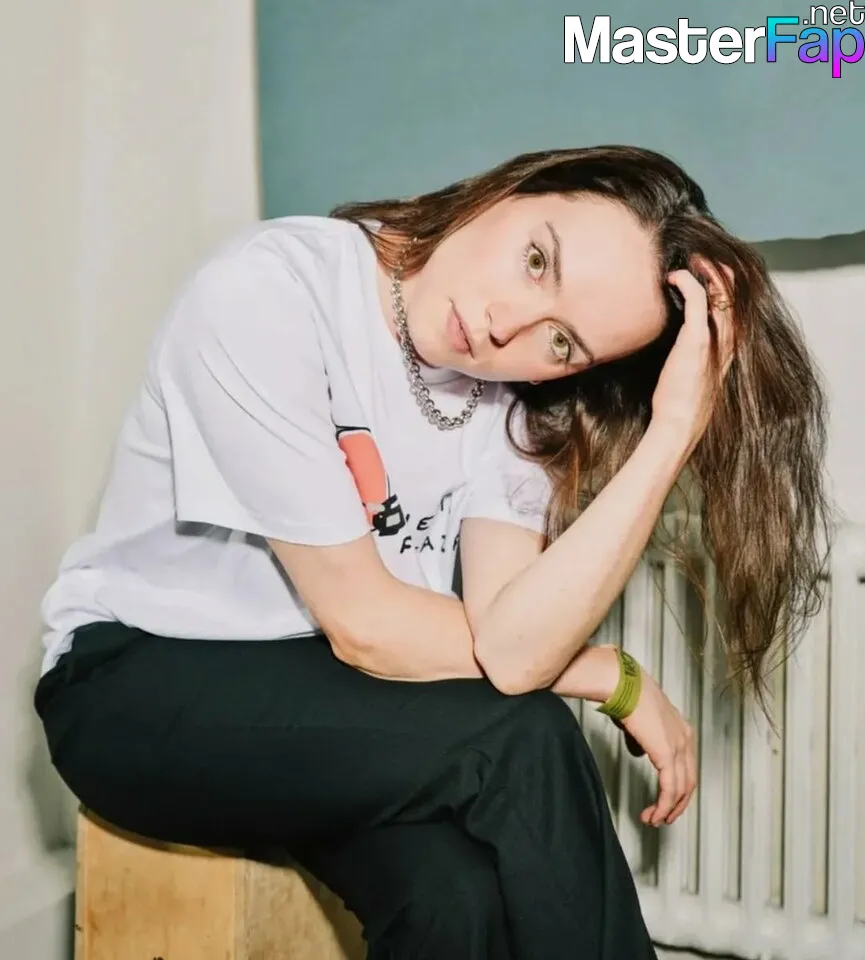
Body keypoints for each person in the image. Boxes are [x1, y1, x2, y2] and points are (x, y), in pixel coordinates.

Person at [33, 145, 831, 959]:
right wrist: (608, 674)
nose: (507, 323)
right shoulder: (272, 292)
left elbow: (513, 647)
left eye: (563, 343)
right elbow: (367, 626)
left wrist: (671, 433)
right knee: (522, 738)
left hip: (328, 701)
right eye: (535, 260)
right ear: (510, 189)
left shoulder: (515, 407)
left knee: (456, 895)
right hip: (135, 681)